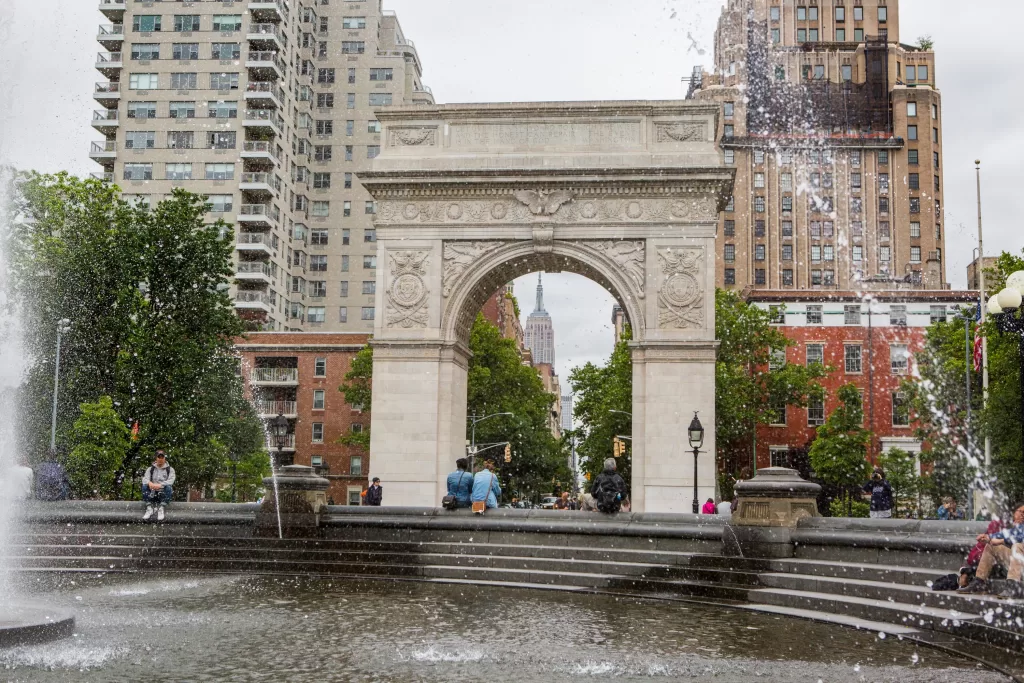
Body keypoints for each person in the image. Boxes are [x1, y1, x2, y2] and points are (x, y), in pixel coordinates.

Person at [959, 502, 1024, 594]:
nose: (1022, 515)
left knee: (1017, 545)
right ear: (1014, 513)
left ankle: (1012, 587)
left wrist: (1002, 541)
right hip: (1017, 564)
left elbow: (1020, 538)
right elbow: (1002, 534)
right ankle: (979, 581)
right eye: (1020, 512)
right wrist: (987, 537)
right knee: (991, 546)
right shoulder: (1015, 527)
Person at [142, 450, 175, 522]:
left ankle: (161, 508)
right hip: (152, 493)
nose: (160, 459)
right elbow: (144, 479)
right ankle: (149, 508)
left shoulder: (170, 469)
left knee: (169, 487)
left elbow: (171, 481)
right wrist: (150, 483)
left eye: (162, 457)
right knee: (144, 486)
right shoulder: (150, 469)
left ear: (164, 458)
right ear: (156, 458)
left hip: (162, 493)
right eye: (159, 457)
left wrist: (160, 485)